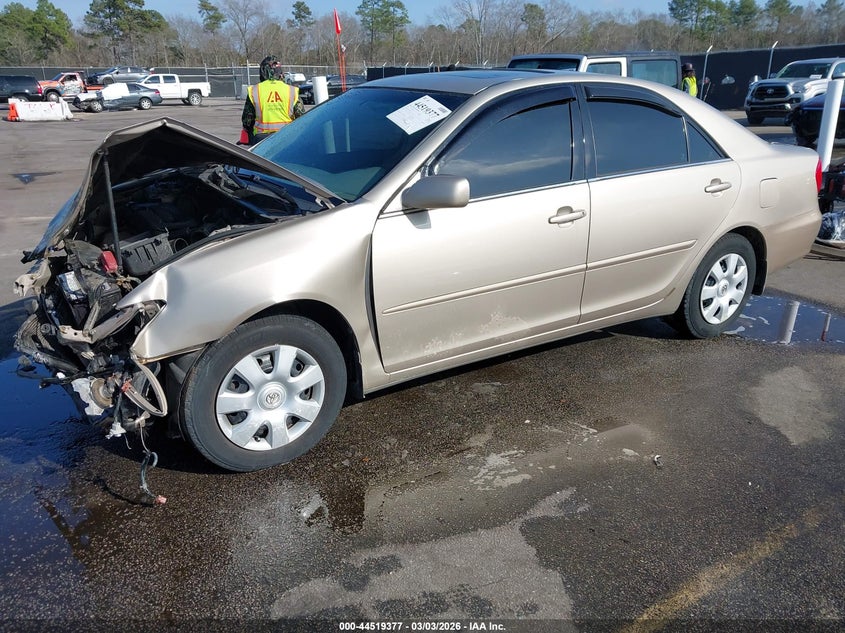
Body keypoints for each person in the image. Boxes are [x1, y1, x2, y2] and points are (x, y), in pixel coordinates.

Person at [240, 55, 304, 145]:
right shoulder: (292, 90)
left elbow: (247, 121)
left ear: (263, 72)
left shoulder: (254, 90)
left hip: (261, 140)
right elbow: (301, 117)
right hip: (288, 138)